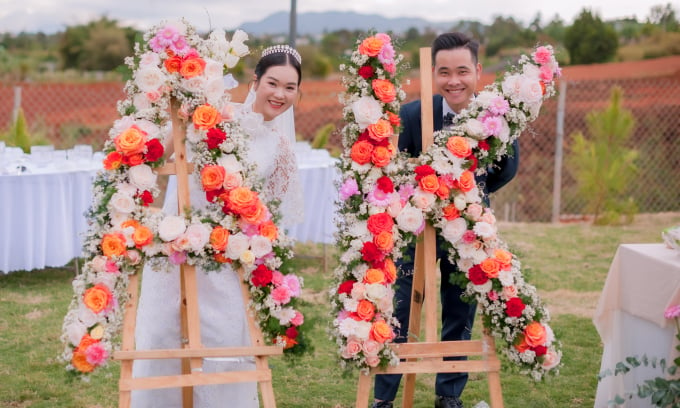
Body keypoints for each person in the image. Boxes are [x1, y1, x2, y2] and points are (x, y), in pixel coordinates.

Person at [131, 44, 304, 408]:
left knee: (224, 344)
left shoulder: (280, 147)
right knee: (163, 336)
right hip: (175, 253)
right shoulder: (213, 118)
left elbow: (274, 216)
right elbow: (164, 154)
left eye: (290, 87)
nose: (280, 94)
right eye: (273, 83)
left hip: (230, 266)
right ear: (255, 81)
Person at [372, 32, 519, 408]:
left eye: (462, 71)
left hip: (468, 232)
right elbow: (394, 171)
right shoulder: (411, 115)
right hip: (413, 232)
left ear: (478, 71)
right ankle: (384, 397)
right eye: (444, 72)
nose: (454, 80)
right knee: (399, 308)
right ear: (433, 74)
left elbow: (505, 169)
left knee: (459, 308)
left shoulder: (495, 118)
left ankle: (448, 394)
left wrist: (470, 198)